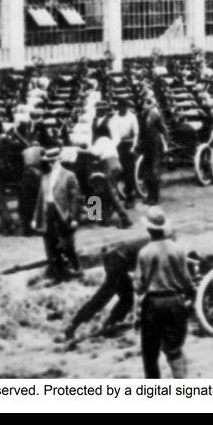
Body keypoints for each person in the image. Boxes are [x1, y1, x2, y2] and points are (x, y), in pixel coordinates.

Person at [136, 207, 195, 378]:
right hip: (175, 302)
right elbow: (186, 280)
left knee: (150, 355)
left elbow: (139, 286)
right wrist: (191, 298)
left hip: (153, 305)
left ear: (148, 229)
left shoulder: (144, 253)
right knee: (174, 350)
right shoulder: (177, 250)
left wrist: (137, 313)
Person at [65, 237, 146, 340]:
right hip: (118, 261)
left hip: (112, 259)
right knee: (126, 299)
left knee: (102, 297)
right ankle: (110, 323)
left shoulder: (149, 248)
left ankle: (74, 324)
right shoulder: (154, 252)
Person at [34, 145, 83, 281]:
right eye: (48, 161)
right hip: (48, 211)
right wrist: (35, 217)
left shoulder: (69, 176)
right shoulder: (45, 176)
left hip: (63, 213)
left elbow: (76, 198)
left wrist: (74, 217)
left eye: (52, 161)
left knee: (67, 243)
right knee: (50, 243)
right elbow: (41, 197)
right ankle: (58, 271)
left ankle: (76, 268)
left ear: (57, 161)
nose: (50, 163)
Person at [108, 97, 141, 206]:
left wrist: (133, 146)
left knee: (129, 171)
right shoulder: (114, 119)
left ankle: (130, 197)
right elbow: (114, 136)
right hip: (117, 145)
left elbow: (136, 134)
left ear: (126, 107)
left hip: (129, 144)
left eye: (124, 107)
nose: (122, 109)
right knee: (116, 170)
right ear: (118, 107)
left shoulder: (132, 117)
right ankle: (115, 195)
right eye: (120, 107)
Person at [137, 96, 168, 206]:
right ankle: (150, 196)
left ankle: (155, 198)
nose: (144, 106)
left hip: (155, 146)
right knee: (147, 173)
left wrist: (165, 144)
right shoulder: (143, 115)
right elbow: (141, 131)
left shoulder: (155, 115)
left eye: (147, 103)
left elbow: (163, 130)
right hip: (146, 146)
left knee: (154, 173)